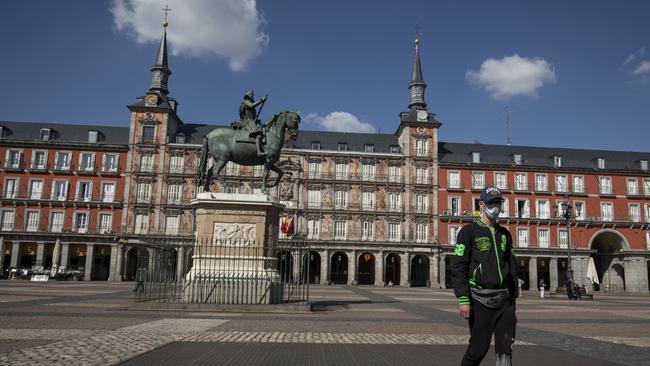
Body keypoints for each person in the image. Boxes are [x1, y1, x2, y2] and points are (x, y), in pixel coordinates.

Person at [452, 185, 518, 366]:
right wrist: (463, 299)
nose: (495, 206)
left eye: (498, 202)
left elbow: (511, 265)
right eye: (491, 203)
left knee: (506, 350)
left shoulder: (504, 234)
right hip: (480, 300)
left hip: (504, 300)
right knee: (477, 350)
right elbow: (458, 266)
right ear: (482, 204)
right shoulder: (468, 232)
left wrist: (513, 298)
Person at [237, 90, 268, 157]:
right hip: (249, 122)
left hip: (252, 121)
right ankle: (259, 152)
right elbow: (251, 106)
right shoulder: (246, 102)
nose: (253, 97)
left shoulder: (246, 102)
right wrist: (261, 100)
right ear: (249, 96)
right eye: (252, 95)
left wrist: (256, 120)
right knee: (258, 134)